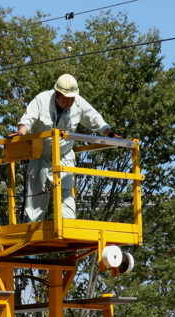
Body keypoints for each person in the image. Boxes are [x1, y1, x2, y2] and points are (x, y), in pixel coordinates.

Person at [14, 74, 119, 222]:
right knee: (36, 200)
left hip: (64, 156)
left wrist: (109, 133)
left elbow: (93, 117)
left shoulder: (78, 103)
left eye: (72, 98)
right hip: (40, 157)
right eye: (66, 98)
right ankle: (32, 233)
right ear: (57, 94)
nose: (69, 102)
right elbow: (28, 119)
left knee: (66, 192)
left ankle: (68, 225)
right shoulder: (42, 100)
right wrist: (20, 134)